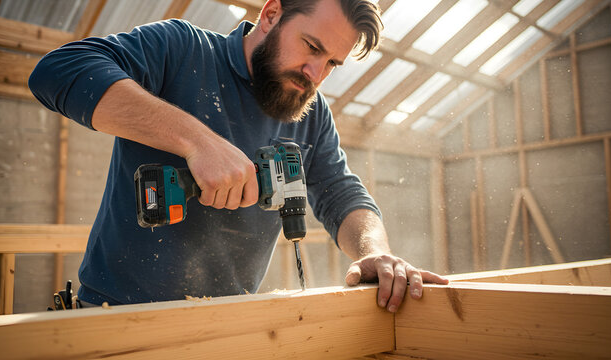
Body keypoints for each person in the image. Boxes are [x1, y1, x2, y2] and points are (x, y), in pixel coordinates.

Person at [29, 0, 448, 312]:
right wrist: (198, 142)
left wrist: (372, 250)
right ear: (271, 14)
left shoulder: (310, 111)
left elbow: (340, 191)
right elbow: (59, 70)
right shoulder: (182, 49)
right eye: (311, 46)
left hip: (229, 326)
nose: (315, 74)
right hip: (114, 317)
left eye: (332, 63)